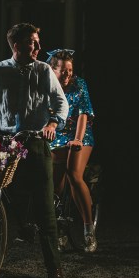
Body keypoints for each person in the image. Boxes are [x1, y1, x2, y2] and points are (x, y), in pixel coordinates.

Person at [0, 23, 69, 278]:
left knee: (45, 209)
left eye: (38, 42)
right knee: (4, 207)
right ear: (17, 46)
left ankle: (54, 269)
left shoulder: (44, 70)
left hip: (36, 143)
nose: (38, 47)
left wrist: (53, 124)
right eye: (33, 42)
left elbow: (61, 103)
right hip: (9, 145)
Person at [46, 48, 97, 253]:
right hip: (57, 134)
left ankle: (88, 228)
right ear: (52, 70)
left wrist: (77, 138)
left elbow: (84, 114)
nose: (68, 74)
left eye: (70, 70)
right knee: (55, 185)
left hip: (79, 134)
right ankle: (59, 230)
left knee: (74, 175)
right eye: (63, 71)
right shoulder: (47, 86)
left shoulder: (79, 84)